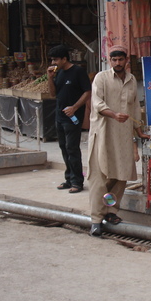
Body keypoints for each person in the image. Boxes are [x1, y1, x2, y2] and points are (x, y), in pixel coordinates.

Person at [87, 45, 149, 237]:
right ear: (109, 61)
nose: (117, 63)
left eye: (121, 59)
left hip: (123, 135)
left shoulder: (131, 81)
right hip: (103, 133)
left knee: (120, 175)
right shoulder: (101, 78)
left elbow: (134, 108)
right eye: (114, 60)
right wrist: (113, 114)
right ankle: (96, 219)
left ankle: (112, 212)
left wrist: (139, 131)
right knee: (100, 177)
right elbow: (97, 103)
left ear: (126, 61)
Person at [47, 44, 92, 194]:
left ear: (65, 59)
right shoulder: (58, 73)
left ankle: (77, 181)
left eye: (56, 60)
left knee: (72, 148)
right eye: (52, 60)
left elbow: (87, 92)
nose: (53, 63)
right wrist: (50, 78)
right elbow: (53, 94)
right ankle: (68, 178)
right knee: (63, 147)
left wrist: (75, 107)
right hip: (60, 116)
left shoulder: (78, 72)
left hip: (73, 117)